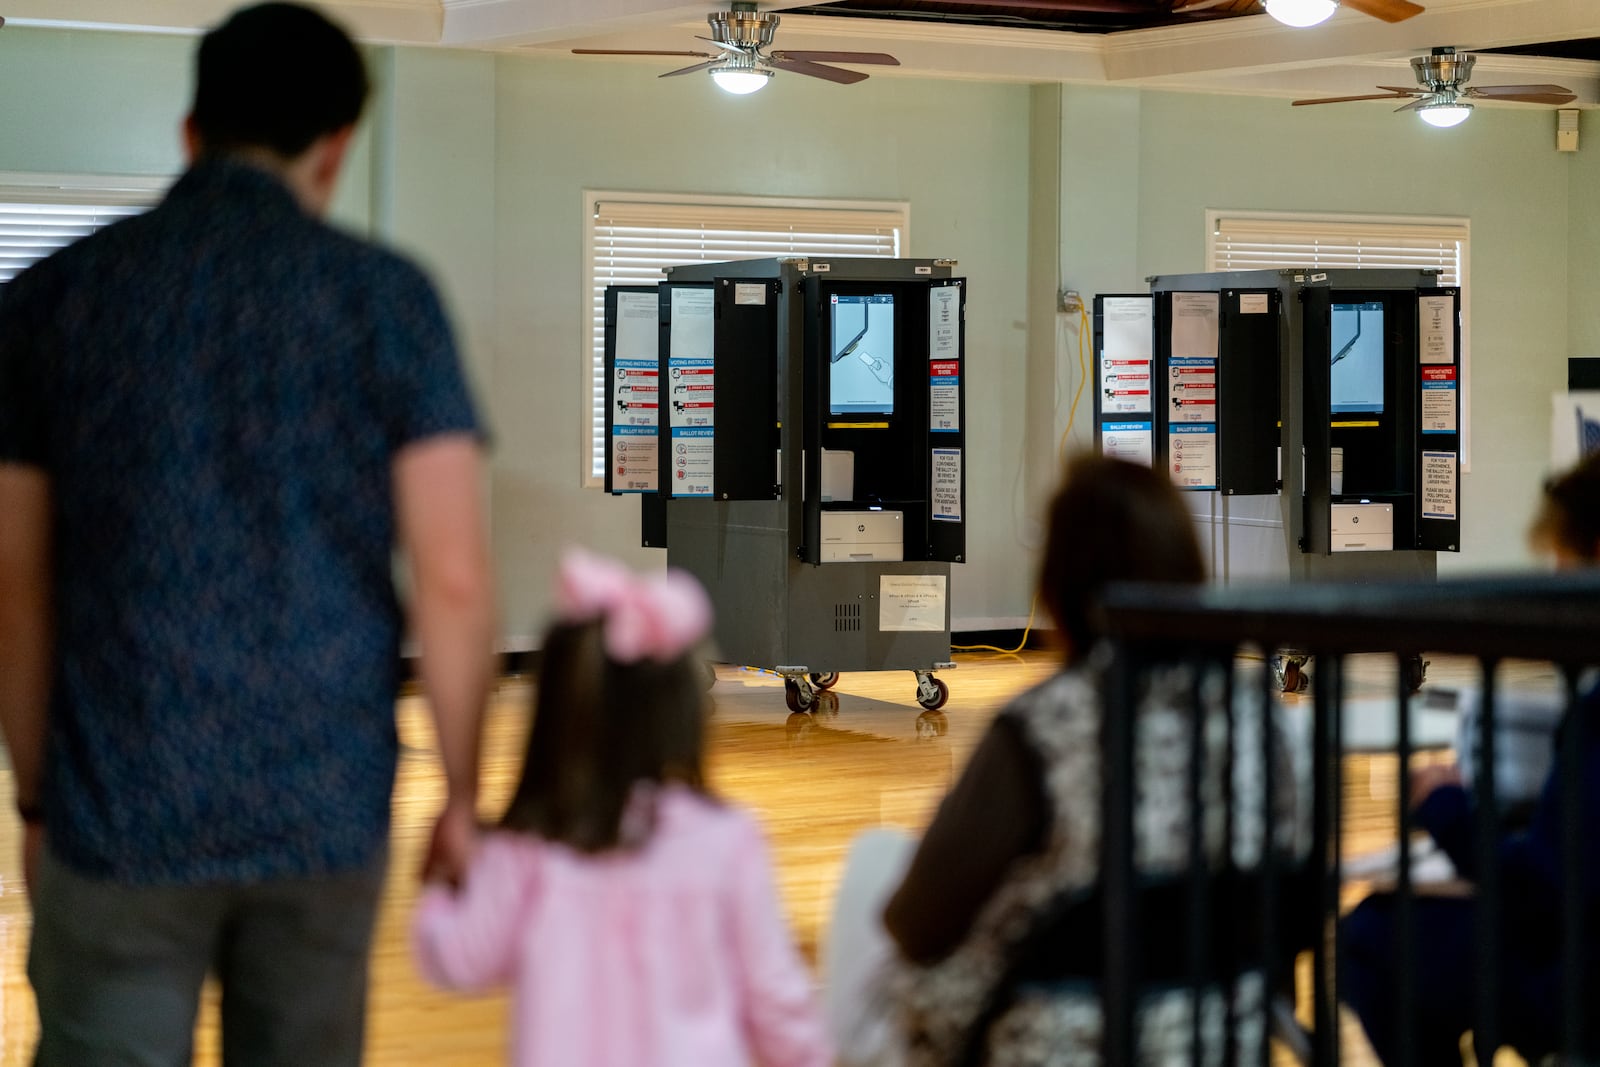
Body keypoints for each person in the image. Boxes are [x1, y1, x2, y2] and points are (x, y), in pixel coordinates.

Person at [0, 4, 494, 1064]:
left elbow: (16, 579)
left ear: (191, 130)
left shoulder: (53, 301)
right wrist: (462, 794)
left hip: (119, 803)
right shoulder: (387, 301)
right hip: (322, 801)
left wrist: (37, 796)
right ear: (336, 146)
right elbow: (453, 579)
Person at [874, 453, 1308, 1066]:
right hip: (1217, 1036)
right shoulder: (1259, 722)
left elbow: (915, 921)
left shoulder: (1040, 728)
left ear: (1056, 589)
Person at [411, 548, 832, 1067]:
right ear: (683, 711)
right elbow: (774, 998)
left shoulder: (527, 844)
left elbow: (458, 959)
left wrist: (440, 884)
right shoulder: (727, 840)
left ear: (552, 719)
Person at [1341, 450, 1600, 1065]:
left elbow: (1545, 890)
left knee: (1373, 937)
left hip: (1577, 976)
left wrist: (1448, 807)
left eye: (1565, 560)